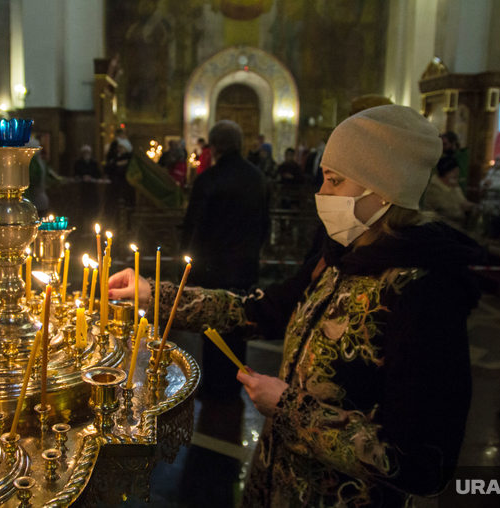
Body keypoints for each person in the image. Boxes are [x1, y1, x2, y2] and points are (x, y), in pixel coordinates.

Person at [108, 105, 480, 507]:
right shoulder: (340, 256)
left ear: (384, 191)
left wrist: (288, 408)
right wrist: (155, 294)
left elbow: (419, 464)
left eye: (335, 181)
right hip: (278, 482)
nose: (322, 194)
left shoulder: (426, 292)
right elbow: (260, 310)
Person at [179, 120, 269, 398]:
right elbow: (266, 224)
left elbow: (193, 226)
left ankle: (215, 385)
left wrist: (186, 267)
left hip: (213, 268)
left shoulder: (208, 179)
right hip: (245, 265)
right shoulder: (258, 178)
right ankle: (234, 382)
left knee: (214, 323)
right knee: (240, 322)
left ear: (214, 147)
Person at [423, 156, 475, 230]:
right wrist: (462, 208)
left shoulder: (454, 186)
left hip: (458, 228)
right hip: (442, 230)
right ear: (444, 172)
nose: (456, 175)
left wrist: (470, 206)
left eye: (457, 172)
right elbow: (448, 211)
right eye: (453, 172)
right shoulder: (433, 189)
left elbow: (463, 201)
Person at [479, 154, 500, 238]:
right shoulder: (491, 171)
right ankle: (486, 231)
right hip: (488, 197)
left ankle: (495, 235)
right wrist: (485, 184)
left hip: (499, 198)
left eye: (499, 160)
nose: (497, 162)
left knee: (496, 217)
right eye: (496, 160)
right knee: (485, 215)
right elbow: (483, 182)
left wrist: (489, 184)